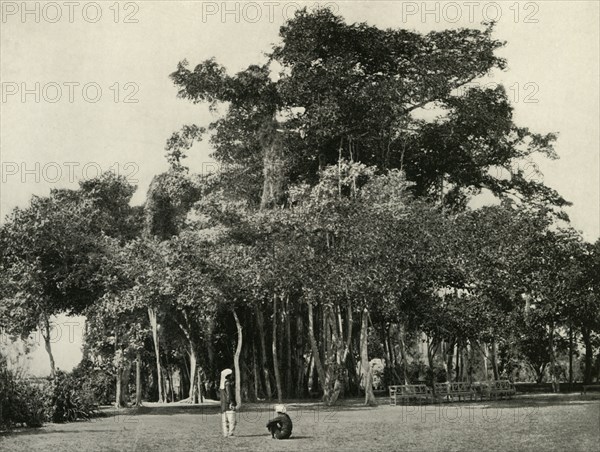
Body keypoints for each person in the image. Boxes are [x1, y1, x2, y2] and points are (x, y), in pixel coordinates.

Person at [219, 368, 236, 437]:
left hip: (223, 405)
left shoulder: (221, 385)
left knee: (224, 420)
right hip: (228, 404)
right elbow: (229, 394)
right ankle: (230, 433)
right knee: (231, 420)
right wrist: (231, 402)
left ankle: (225, 433)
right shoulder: (228, 384)